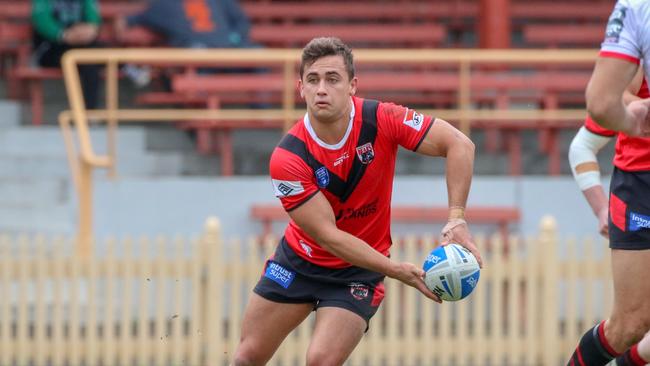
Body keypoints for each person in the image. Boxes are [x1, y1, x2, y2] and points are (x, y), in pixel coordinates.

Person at [232, 37, 482, 366]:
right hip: (299, 262)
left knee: (320, 360)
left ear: (352, 85)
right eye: (313, 80)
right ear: (300, 88)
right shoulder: (287, 157)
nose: (322, 89)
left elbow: (459, 145)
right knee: (247, 357)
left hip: (359, 272)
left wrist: (456, 218)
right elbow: (328, 236)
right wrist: (395, 270)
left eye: (332, 79)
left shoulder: (383, 119)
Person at [566, 1, 650, 365]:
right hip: (641, 186)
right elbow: (583, 142)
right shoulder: (638, 10)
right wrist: (601, 208)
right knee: (630, 324)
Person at [31, 0, 102, 109]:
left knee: (93, 57)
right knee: (88, 60)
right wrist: (63, 35)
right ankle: (87, 114)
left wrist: (89, 30)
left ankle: (89, 113)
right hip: (51, 49)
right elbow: (42, 21)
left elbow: (93, 19)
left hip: (81, 46)